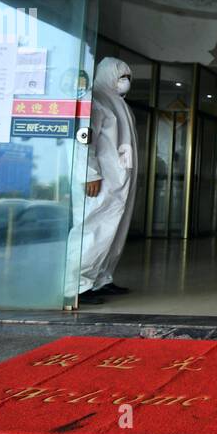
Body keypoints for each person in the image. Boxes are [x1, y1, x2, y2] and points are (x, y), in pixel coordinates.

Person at [77, 57, 138, 304]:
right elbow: (85, 140)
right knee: (94, 230)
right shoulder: (96, 100)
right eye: (121, 76)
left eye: (128, 78)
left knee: (114, 232)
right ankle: (78, 284)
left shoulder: (120, 104)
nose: (125, 82)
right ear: (107, 75)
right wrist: (90, 173)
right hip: (102, 180)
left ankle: (102, 279)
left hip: (121, 179)